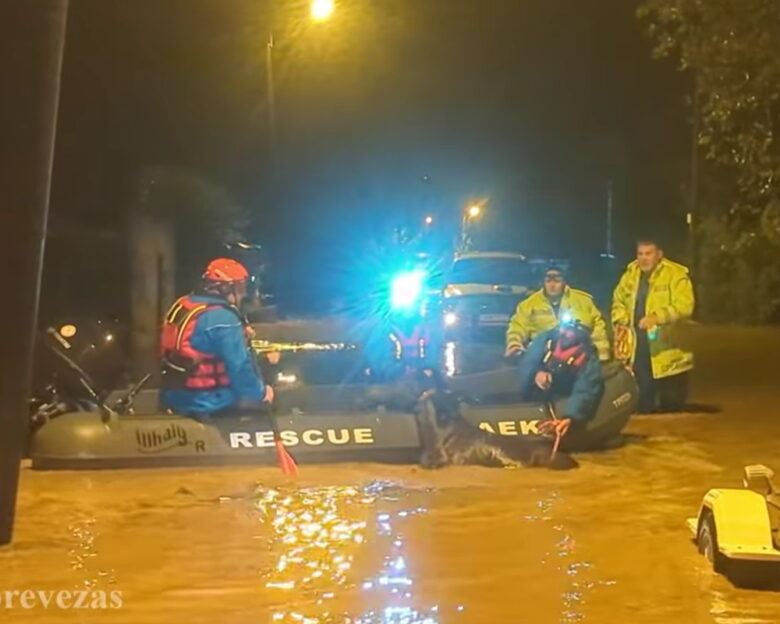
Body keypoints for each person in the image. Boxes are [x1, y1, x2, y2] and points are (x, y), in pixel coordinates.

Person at [159, 258, 273, 416]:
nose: (244, 293)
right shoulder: (224, 318)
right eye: (240, 287)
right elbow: (240, 369)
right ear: (226, 288)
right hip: (209, 401)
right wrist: (260, 393)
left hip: (174, 395)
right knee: (267, 397)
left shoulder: (183, 305)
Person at [611, 239, 694, 413]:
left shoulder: (675, 274)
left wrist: (657, 317)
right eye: (640, 254)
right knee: (643, 403)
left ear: (659, 255)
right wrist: (620, 319)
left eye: (648, 253)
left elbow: (685, 306)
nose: (644, 259)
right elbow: (618, 300)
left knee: (673, 406)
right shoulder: (630, 274)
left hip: (669, 348)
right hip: (639, 344)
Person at [516, 318, 604, 438]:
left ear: (580, 333)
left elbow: (585, 389)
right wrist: (535, 374)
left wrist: (570, 416)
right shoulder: (547, 340)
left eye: (569, 330)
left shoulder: (587, 356)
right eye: (563, 327)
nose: (563, 332)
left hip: (562, 397)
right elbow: (527, 361)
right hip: (534, 395)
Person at [505, 265, 610, 361]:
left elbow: (598, 327)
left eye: (557, 281)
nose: (552, 285)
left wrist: (602, 355)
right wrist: (514, 345)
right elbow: (517, 326)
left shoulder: (583, 301)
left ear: (564, 282)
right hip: (542, 359)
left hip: (577, 357)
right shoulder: (529, 304)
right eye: (548, 281)